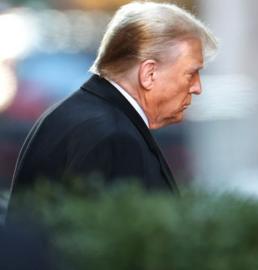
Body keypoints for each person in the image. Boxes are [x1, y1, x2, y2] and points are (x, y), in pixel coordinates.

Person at [8, 2, 218, 207]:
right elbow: (115, 238)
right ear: (149, 74)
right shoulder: (114, 137)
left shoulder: (78, 115)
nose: (197, 87)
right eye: (191, 73)